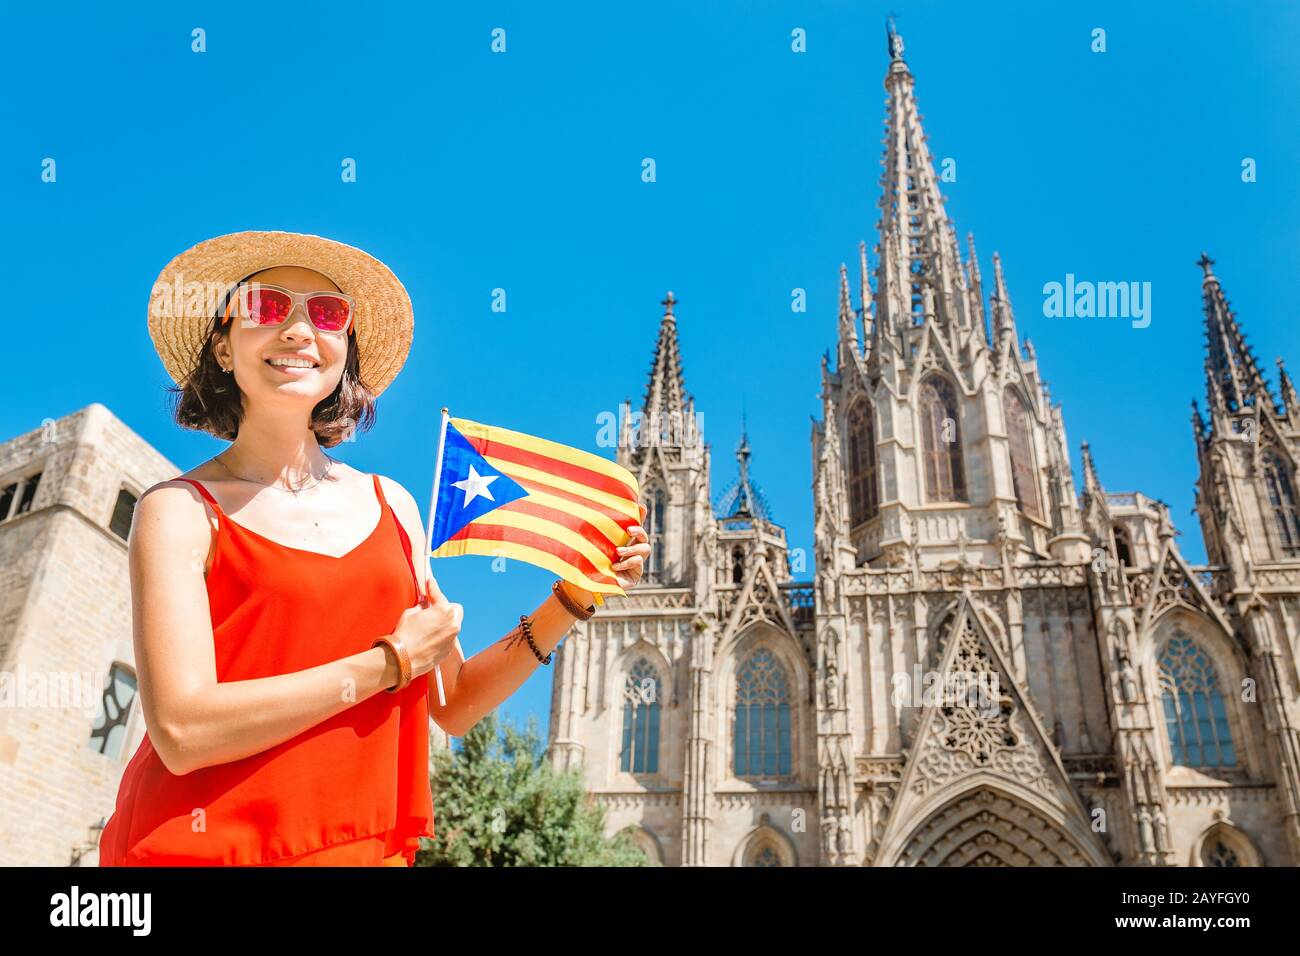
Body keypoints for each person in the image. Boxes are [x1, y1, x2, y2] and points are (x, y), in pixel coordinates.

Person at [98, 230, 650, 866]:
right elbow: (182, 730)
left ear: (344, 349)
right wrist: (389, 664)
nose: (300, 330)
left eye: (328, 313)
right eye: (266, 307)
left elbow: (453, 703)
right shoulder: (178, 509)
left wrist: (574, 598)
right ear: (222, 347)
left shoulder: (394, 507)